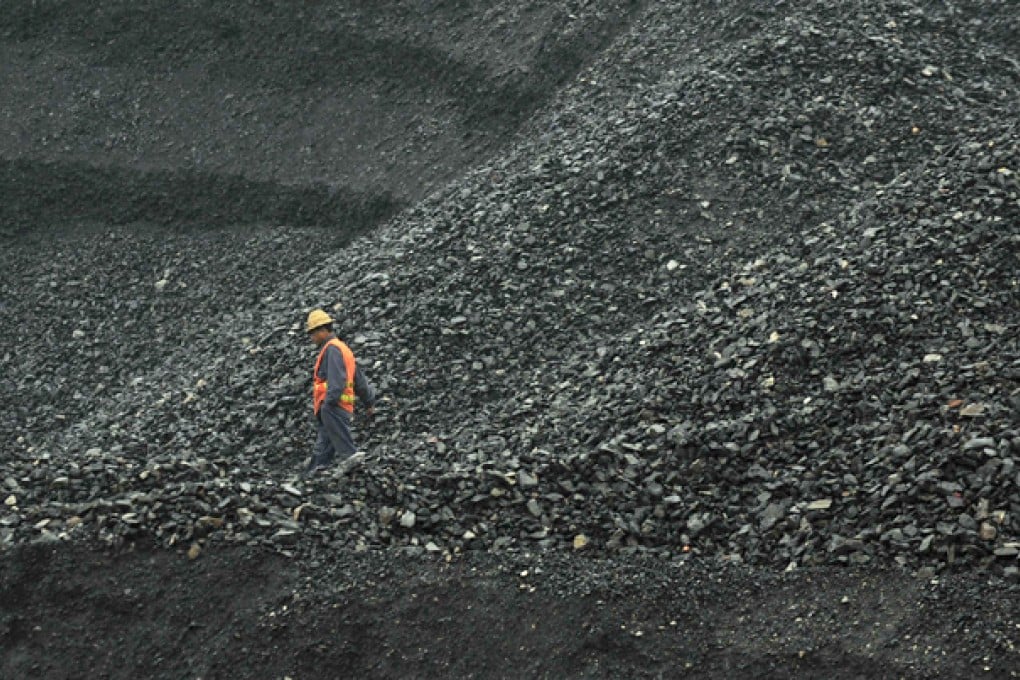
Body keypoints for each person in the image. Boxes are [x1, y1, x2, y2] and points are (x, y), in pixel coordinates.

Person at [303, 308, 377, 477]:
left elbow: (337, 381)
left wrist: (329, 403)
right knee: (323, 447)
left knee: (346, 449)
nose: (312, 338)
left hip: (333, 406)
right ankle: (311, 477)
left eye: (313, 334)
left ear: (322, 330)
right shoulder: (343, 349)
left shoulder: (332, 349)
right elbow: (359, 380)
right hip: (336, 407)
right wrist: (369, 402)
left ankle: (352, 458)